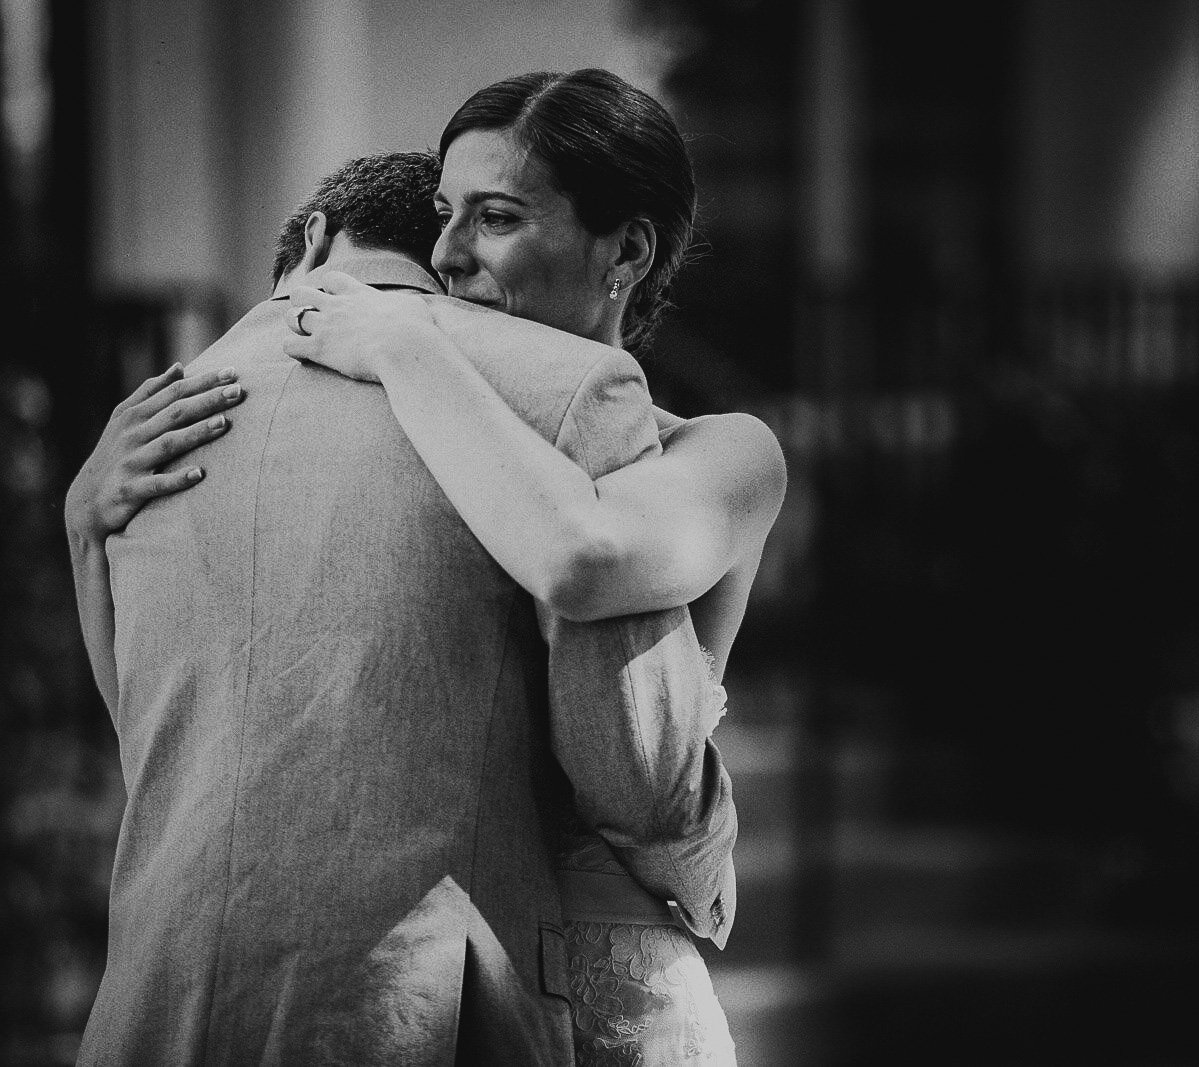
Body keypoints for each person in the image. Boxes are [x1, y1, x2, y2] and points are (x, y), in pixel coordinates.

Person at [65, 148, 737, 1065]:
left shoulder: (143, 432)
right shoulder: (557, 388)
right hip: (414, 1011)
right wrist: (701, 869)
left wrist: (80, 530)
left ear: (311, 241)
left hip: (157, 1003)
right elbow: (628, 762)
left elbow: (150, 737)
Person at [281, 70, 788, 1065]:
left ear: (626, 251)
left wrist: (404, 344)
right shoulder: (405, 428)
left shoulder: (724, 452)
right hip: (423, 981)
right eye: (443, 215)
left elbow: (587, 555)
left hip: (611, 992)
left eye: (497, 217)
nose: (447, 254)